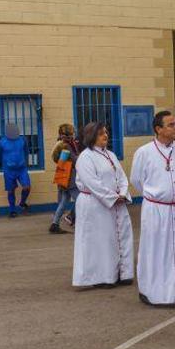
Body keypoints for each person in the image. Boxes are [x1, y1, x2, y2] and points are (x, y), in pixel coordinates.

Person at [129, 111, 175, 310]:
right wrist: (157, 195)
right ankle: (152, 292)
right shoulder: (144, 152)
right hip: (156, 209)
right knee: (156, 251)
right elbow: (136, 180)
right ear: (158, 129)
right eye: (170, 125)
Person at [72, 123, 133, 288]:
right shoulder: (85, 157)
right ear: (92, 136)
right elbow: (93, 183)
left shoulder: (111, 155)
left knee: (116, 238)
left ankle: (121, 273)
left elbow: (121, 176)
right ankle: (99, 277)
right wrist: (113, 197)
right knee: (99, 241)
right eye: (100, 134)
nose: (105, 136)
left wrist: (122, 193)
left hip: (114, 203)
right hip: (94, 204)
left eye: (106, 132)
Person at [0, 123, 31, 218]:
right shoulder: (1, 142)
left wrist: (26, 163)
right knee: (11, 190)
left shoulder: (23, 140)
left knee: (27, 187)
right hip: (8, 170)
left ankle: (22, 203)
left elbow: (26, 152)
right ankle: (12, 210)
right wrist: (2, 165)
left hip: (22, 168)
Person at [50, 124, 79, 234]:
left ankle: (55, 223)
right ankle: (72, 218)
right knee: (80, 200)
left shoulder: (60, 143)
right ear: (69, 134)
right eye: (72, 132)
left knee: (63, 202)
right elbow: (75, 160)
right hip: (70, 178)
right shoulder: (67, 146)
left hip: (63, 176)